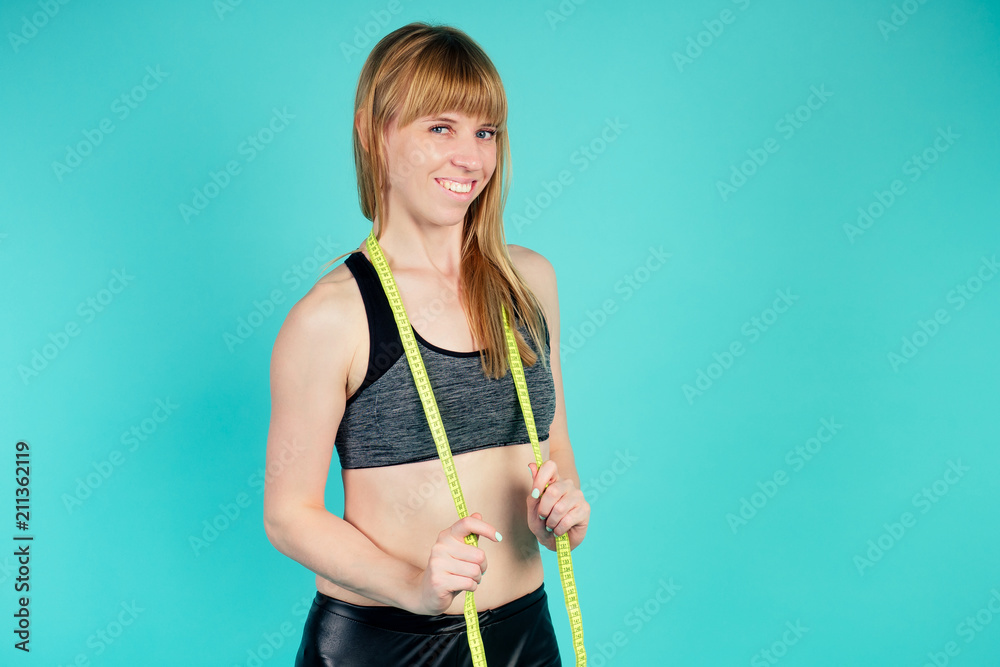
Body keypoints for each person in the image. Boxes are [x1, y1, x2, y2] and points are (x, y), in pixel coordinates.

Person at [263, 22, 590, 666]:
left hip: (526, 634)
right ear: (373, 130)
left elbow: (553, 450)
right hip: (385, 645)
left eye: (485, 131)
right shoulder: (335, 315)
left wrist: (563, 516)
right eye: (440, 127)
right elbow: (288, 514)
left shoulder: (529, 283)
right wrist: (415, 585)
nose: (469, 157)